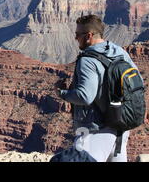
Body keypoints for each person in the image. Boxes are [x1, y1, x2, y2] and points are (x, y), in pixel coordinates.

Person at [55, 14, 137, 162]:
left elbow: (85, 97)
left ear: (89, 36)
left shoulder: (88, 60)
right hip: (121, 127)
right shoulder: (119, 52)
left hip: (95, 129)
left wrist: (63, 93)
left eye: (77, 34)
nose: (75, 38)